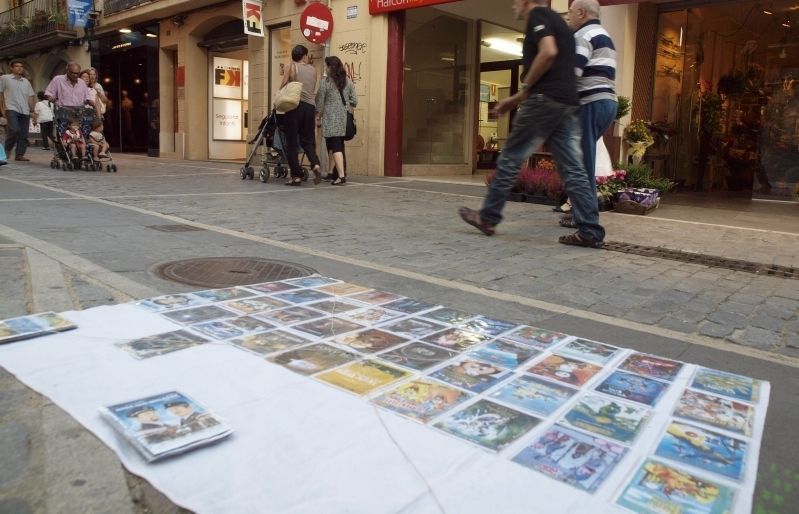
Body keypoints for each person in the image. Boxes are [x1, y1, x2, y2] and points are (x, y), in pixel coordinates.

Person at [458, 0, 605, 248]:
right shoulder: (561, 23)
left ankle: (488, 217)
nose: (513, 7)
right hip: (567, 103)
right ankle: (590, 229)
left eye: (515, 3)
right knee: (574, 170)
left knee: (510, 157)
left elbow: (548, 51)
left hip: (544, 99)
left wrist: (522, 92)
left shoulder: (538, 15)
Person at [559, 0, 618, 228]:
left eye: (570, 13)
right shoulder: (603, 34)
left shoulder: (583, 35)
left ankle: (586, 222)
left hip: (590, 104)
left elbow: (572, 75)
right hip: (606, 103)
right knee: (583, 163)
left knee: (580, 166)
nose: (568, 17)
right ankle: (582, 216)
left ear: (582, 12)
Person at [280, 45, 322, 186]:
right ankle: (315, 164)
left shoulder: (291, 66)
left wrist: (279, 96)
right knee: (308, 140)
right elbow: (311, 88)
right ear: (304, 56)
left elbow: (284, 84)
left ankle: (295, 176)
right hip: (310, 107)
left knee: (291, 142)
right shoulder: (313, 70)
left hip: (295, 106)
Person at [315, 56, 357, 186]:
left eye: (326, 66)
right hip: (344, 119)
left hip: (331, 120)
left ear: (330, 67)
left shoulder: (325, 82)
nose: (325, 69)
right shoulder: (348, 81)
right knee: (333, 147)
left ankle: (341, 175)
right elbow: (354, 101)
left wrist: (318, 117)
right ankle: (332, 173)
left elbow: (319, 103)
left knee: (336, 147)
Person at [0, 60, 36, 161]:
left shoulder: (26, 81)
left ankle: (19, 154)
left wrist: (32, 110)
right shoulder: (5, 78)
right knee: (15, 129)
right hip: (11, 108)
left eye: (21, 66)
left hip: (25, 110)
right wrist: (2, 109)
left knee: (24, 133)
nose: (20, 68)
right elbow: (0, 94)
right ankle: (7, 148)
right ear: (11, 68)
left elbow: (30, 96)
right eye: (17, 66)